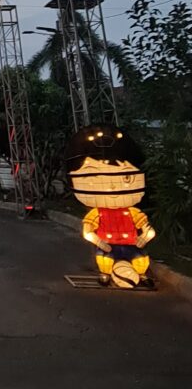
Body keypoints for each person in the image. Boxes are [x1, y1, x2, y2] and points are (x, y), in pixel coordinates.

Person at [65, 124, 155, 289]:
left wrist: (146, 236)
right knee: (105, 259)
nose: (112, 187)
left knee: (141, 260)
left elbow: (147, 227)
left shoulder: (132, 211)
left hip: (131, 244)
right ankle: (105, 274)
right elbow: (87, 231)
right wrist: (99, 241)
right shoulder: (97, 213)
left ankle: (141, 275)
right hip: (107, 244)